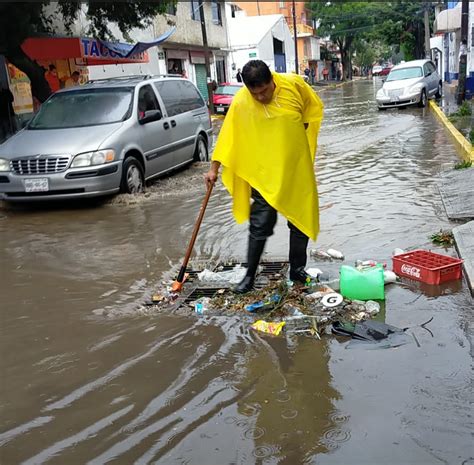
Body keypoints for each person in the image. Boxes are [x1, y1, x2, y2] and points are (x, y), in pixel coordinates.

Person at [204, 60, 324, 294]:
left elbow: (312, 108)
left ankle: (297, 271)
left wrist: (297, 136)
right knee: (260, 224)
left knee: (300, 221)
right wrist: (213, 169)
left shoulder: (294, 85)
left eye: (264, 91)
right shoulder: (241, 102)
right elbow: (228, 136)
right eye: (254, 93)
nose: (260, 97)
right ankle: (249, 276)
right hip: (263, 174)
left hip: (295, 169)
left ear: (272, 80)